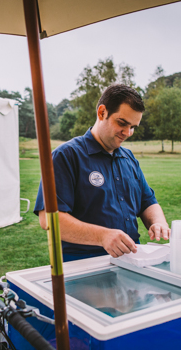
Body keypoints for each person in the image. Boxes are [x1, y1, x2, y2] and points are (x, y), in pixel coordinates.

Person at [34, 84, 170, 262]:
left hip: (132, 262)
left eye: (133, 127)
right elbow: (49, 220)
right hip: (85, 266)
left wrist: (157, 221)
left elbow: (147, 202)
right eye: (122, 123)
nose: (127, 133)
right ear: (102, 112)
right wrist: (102, 236)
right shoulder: (66, 156)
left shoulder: (128, 158)